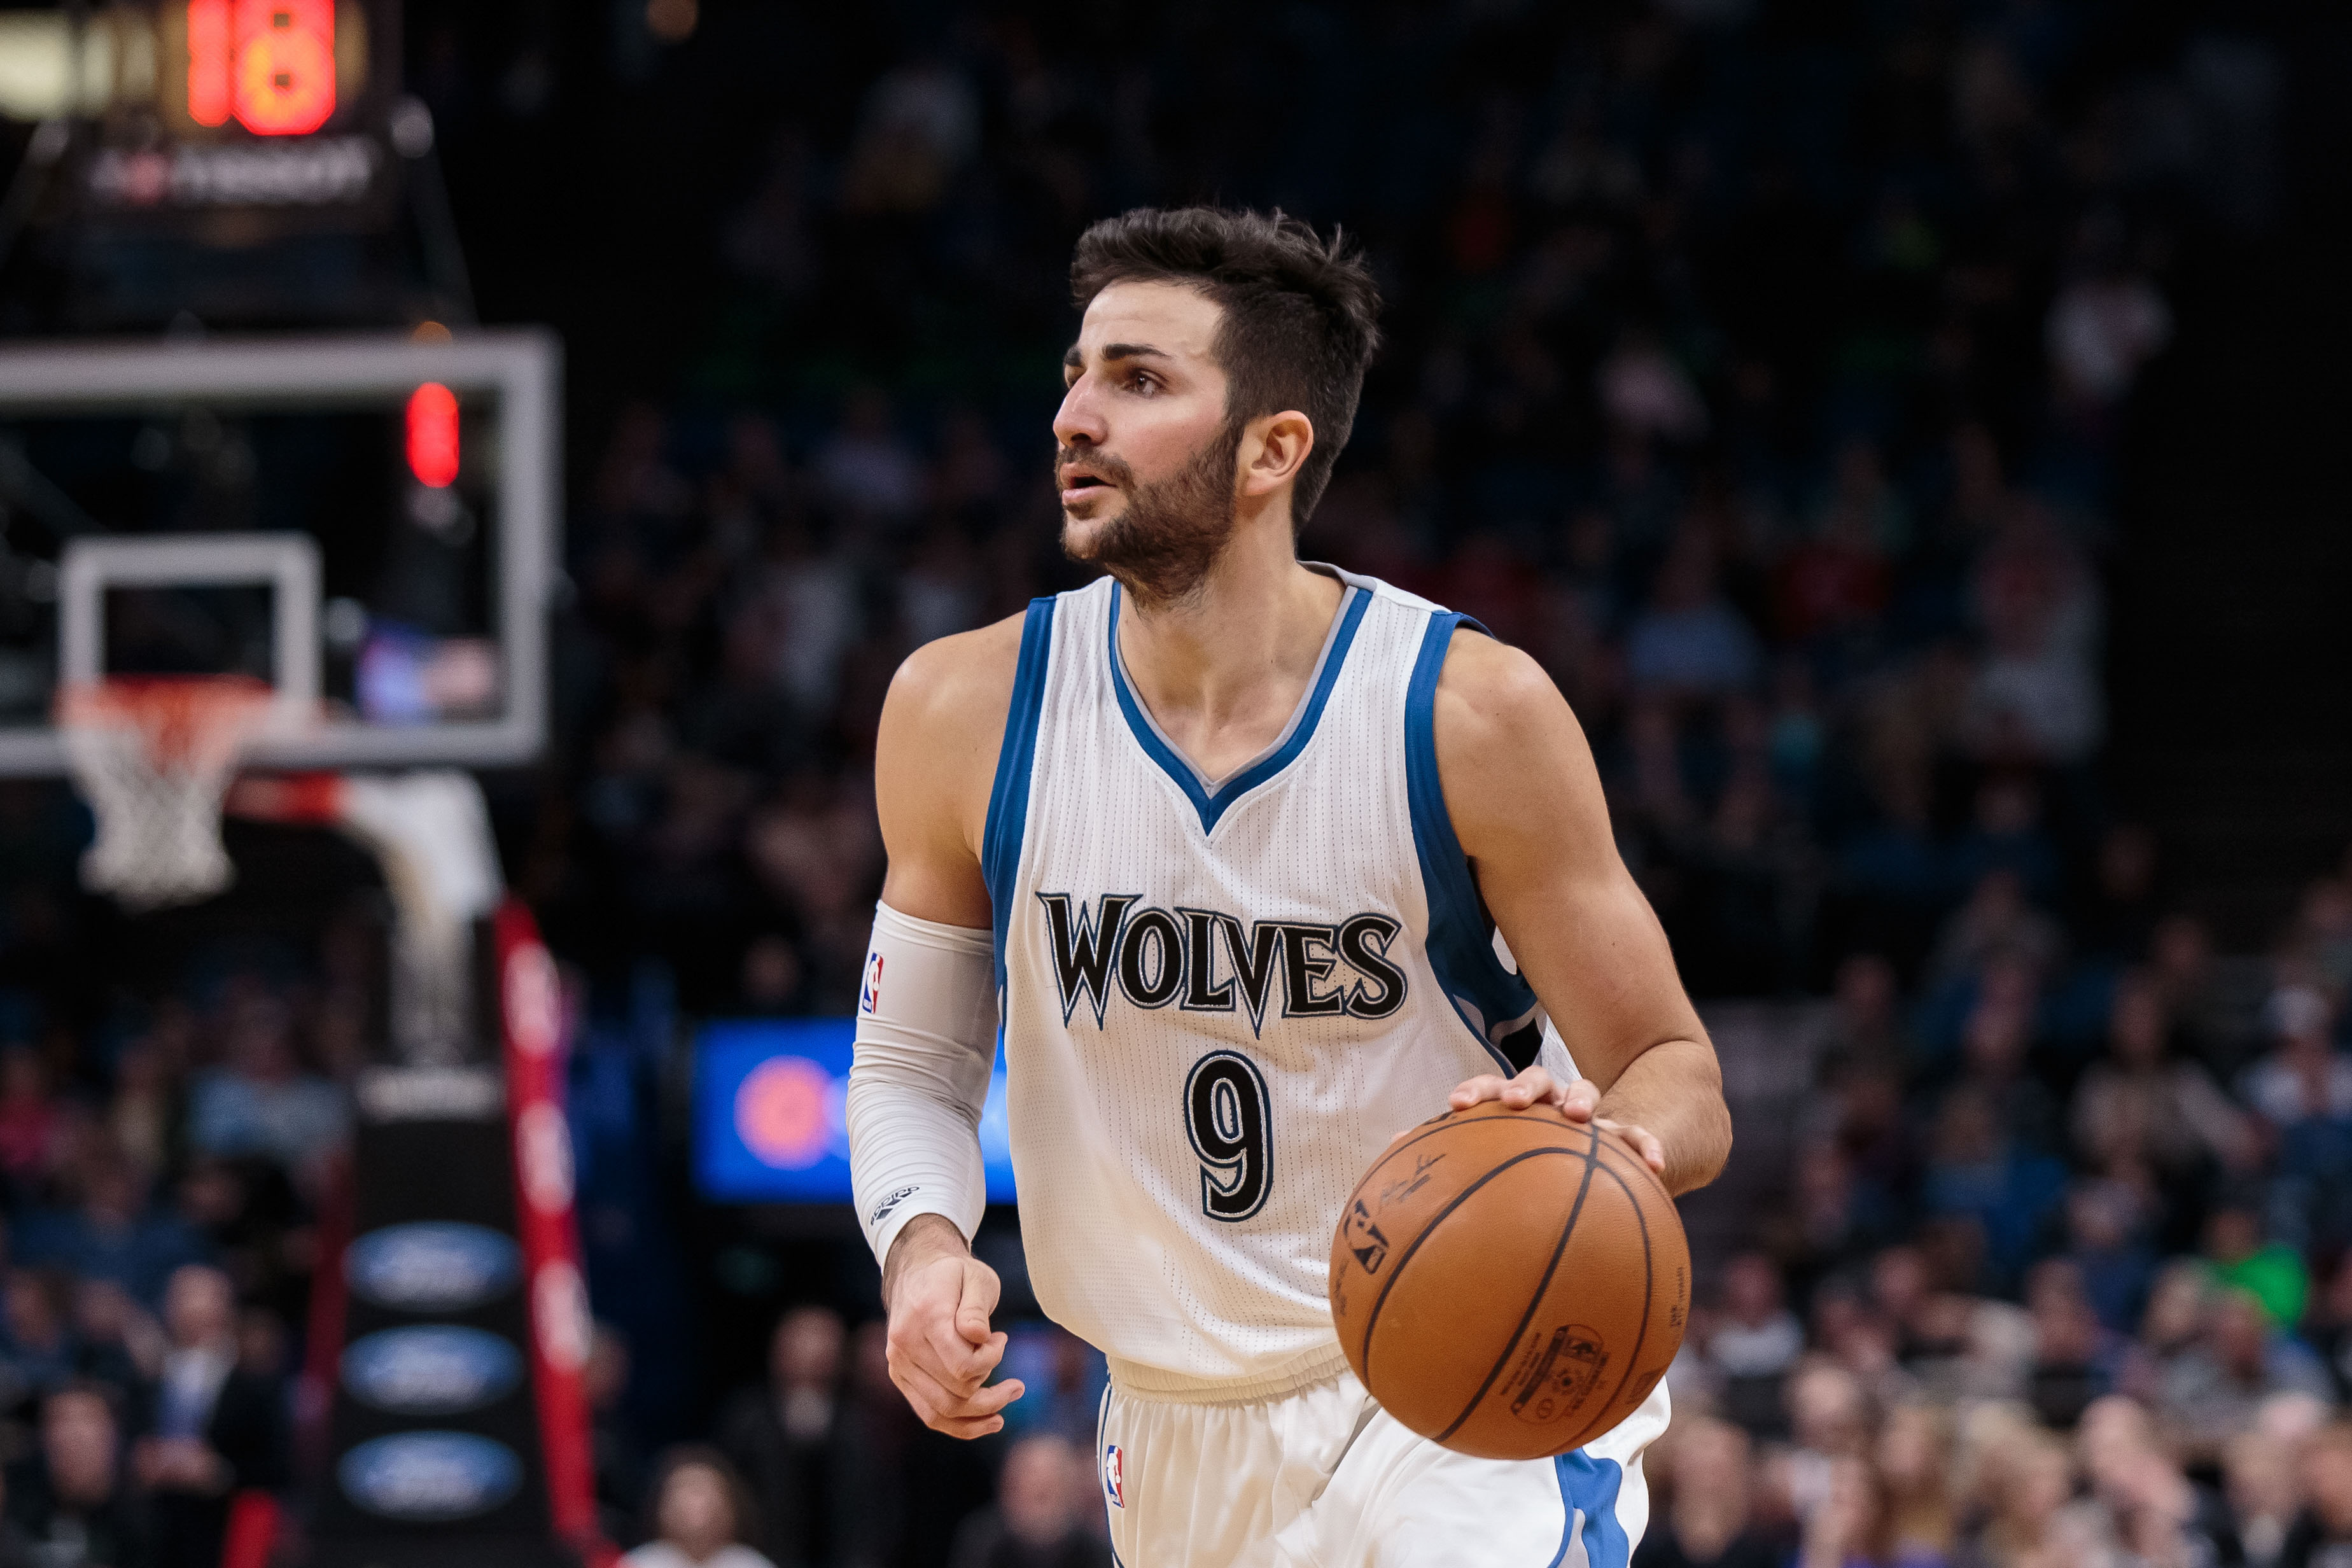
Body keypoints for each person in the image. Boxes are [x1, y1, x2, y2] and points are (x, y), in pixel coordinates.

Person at [848, 206, 1733, 1568]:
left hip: (1462, 1385)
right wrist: (918, 1250)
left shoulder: (1465, 713)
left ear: (1274, 447)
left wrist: (1616, 1142)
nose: (1075, 415)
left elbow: (1673, 1067)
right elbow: (913, 1060)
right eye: (1078, 372)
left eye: (1139, 379)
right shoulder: (960, 708)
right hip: (1169, 1419)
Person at [130, 1265, 287, 1568]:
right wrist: (138, 1462)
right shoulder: (145, 1382)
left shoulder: (257, 1387)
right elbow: (127, 1445)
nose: (193, 1309)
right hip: (151, 1537)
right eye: (183, 1299)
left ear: (225, 1310)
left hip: (226, 1538)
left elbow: (279, 1470)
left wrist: (219, 1472)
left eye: (203, 1300)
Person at [10, 1384, 150, 1567]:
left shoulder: (145, 1522)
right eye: (59, 1422)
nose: (73, 1436)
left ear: (113, 1437)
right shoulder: (17, 1513)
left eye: (88, 1422)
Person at [946, 1436, 1103, 1568]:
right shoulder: (981, 1545)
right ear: (1008, 1488)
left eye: (1051, 1489)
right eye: (1035, 1491)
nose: (1040, 1488)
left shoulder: (1097, 1552)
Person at [624, 1448, 776, 1568]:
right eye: (686, 1489)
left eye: (707, 1490)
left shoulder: (751, 1564)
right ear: (661, 1509)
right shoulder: (638, 1564)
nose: (697, 1502)